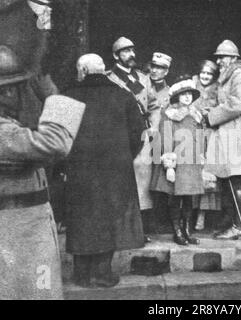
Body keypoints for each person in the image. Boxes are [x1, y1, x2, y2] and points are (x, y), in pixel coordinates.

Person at [0, 45, 85, 299]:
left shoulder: (9, 126)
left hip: (24, 226)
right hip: (16, 230)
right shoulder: (4, 132)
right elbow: (56, 143)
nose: (19, 94)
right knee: (33, 291)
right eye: (14, 88)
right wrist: (50, 95)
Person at [64, 54, 146, 288]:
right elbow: (139, 134)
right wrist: (123, 157)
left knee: (81, 219)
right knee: (109, 218)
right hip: (115, 172)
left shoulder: (69, 95)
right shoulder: (123, 96)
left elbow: (58, 135)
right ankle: (102, 274)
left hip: (79, 171)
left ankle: (81, 274)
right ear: (103, 70)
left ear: (82, 70)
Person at [202, 40, 241, 240]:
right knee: (229, 179)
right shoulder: (228, 75)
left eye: (223, 57)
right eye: (218, 57)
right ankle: (231, 221)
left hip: (239, 133)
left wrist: (212, 116)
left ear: (234, 58)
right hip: (230, 132)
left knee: (238, 179)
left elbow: (238, 104)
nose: (219, 60)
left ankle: (240, 226)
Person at [106, 37, 158, 242]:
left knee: (143, 182)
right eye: (125, 51)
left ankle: (140, 231)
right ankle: (121, 231)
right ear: (116, 55)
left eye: (132, 50)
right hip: (119, 134)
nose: (131, 55)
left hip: (142, 134)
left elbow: (154, 105)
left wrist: (153, 126)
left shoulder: (143, 79)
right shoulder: (109, 79)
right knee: (119, 181)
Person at [150, 75, 204, 245]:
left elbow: (201, 137)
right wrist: (169, 164)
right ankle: (177, 231)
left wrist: (201, 154)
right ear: (177, 97)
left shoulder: (197, 115)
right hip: (176, 160)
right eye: (183, 94)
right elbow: (165, 138)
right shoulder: (169, 115)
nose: (187, 97)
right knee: (175, 197)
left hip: (191, 161)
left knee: (189, 197)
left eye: (190, 94)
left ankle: (187, 230)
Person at [192, 60, 221, 231]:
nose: (205, 76)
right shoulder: (191, 85)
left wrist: (210, 114)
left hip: (210, 136)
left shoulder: (218, 90)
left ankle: (203, 215)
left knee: (208, 174)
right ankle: (188, 213)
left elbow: (223, 110)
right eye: (203, 73)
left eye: (209, 74)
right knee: (191, 173)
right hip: (192, 136)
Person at [148, 52, 172, 232]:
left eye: (160, 68)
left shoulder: (170, 93)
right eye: (153, 66)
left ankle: (160, 220)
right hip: (141, 136)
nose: (155, 71)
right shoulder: (142, 86)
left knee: (159, 178)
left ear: (167, 71)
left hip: (160, 138)